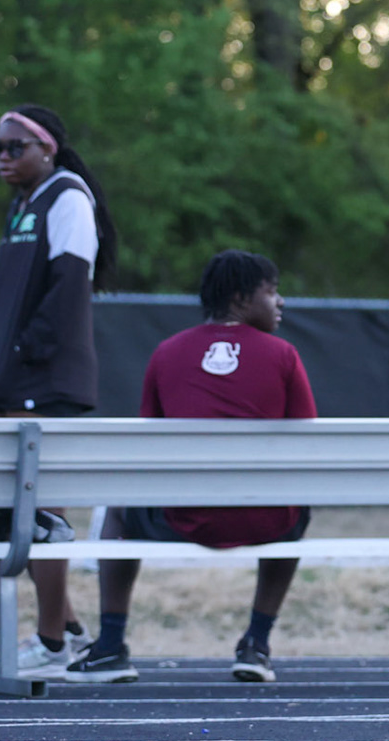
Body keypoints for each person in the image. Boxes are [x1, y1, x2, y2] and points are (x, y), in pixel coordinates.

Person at [64, 250, 315, 684]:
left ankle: (110, 645)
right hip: (266, 520)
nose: (281, 302)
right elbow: (308, 441)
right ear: (240, 298)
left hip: (181, 519)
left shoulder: (166, 352)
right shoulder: (284, 355)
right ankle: (256, 643)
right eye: (272, 292)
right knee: (297, 506)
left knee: (118, 512)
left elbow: (149, 443)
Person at [0, 105, 117, 679]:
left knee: (40, 517)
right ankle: (70, 631)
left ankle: (51, 642)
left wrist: (25, 352)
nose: (3, 157)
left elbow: (67, 292)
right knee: (26, 514)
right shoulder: (24, 203)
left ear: (47, 148)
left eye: (15, 147)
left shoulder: (67, 197)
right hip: (15, 378)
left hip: (44, 380)